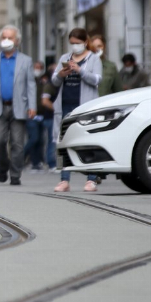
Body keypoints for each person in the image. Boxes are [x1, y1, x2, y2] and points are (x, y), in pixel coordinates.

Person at [0, 25, 38, 186]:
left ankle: (15, 174)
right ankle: (3, 166)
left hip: (19, 107)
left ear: (17, 41)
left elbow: (31, 85)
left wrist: (32, 106)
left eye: (10, 37)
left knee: (17, 143)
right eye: (4, 37)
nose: (6, 41)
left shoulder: (25, 61)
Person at [52, 28, 103, 193]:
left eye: (78, 43)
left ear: (84, 42)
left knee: (89, 143)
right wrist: (61, 73)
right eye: (72, 43)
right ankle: (64, 179)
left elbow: (97, 79)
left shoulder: (93, 58)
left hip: (86, 107)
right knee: (64, 143)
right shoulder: (64, 58)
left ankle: (91, 179)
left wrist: (80, 70)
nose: (75, 46)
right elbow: (54, 81)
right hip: (65, 106)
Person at [22, 61, 54, 172]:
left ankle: (36, 163)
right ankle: (20, 157)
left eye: (40, 67)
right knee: (34, 138)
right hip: (31, 114)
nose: (38, 69)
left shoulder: (45, 81)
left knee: (40, 140)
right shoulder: (28, 81)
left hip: (42, 115)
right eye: (36, 67)